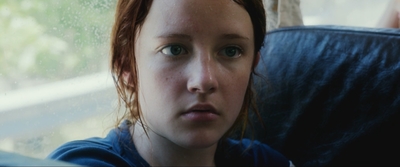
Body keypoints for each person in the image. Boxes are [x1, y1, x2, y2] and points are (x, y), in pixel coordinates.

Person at [47, 0, 293, 166]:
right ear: (127, 67)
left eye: (231, 51)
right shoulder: (79, 164)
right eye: (174, 50)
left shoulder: (265, 162)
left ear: (252, 66)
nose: (204, 80)